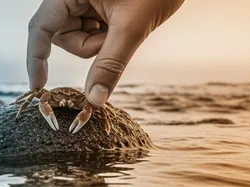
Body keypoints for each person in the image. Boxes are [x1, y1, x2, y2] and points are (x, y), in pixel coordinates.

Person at [26, 0, 184, 107]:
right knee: (37, 93)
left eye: (71, 98)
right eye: (63, 96)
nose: (68, 100)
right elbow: (39, 97)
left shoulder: (81, 102)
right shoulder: (51, 97)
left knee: (101, 109)